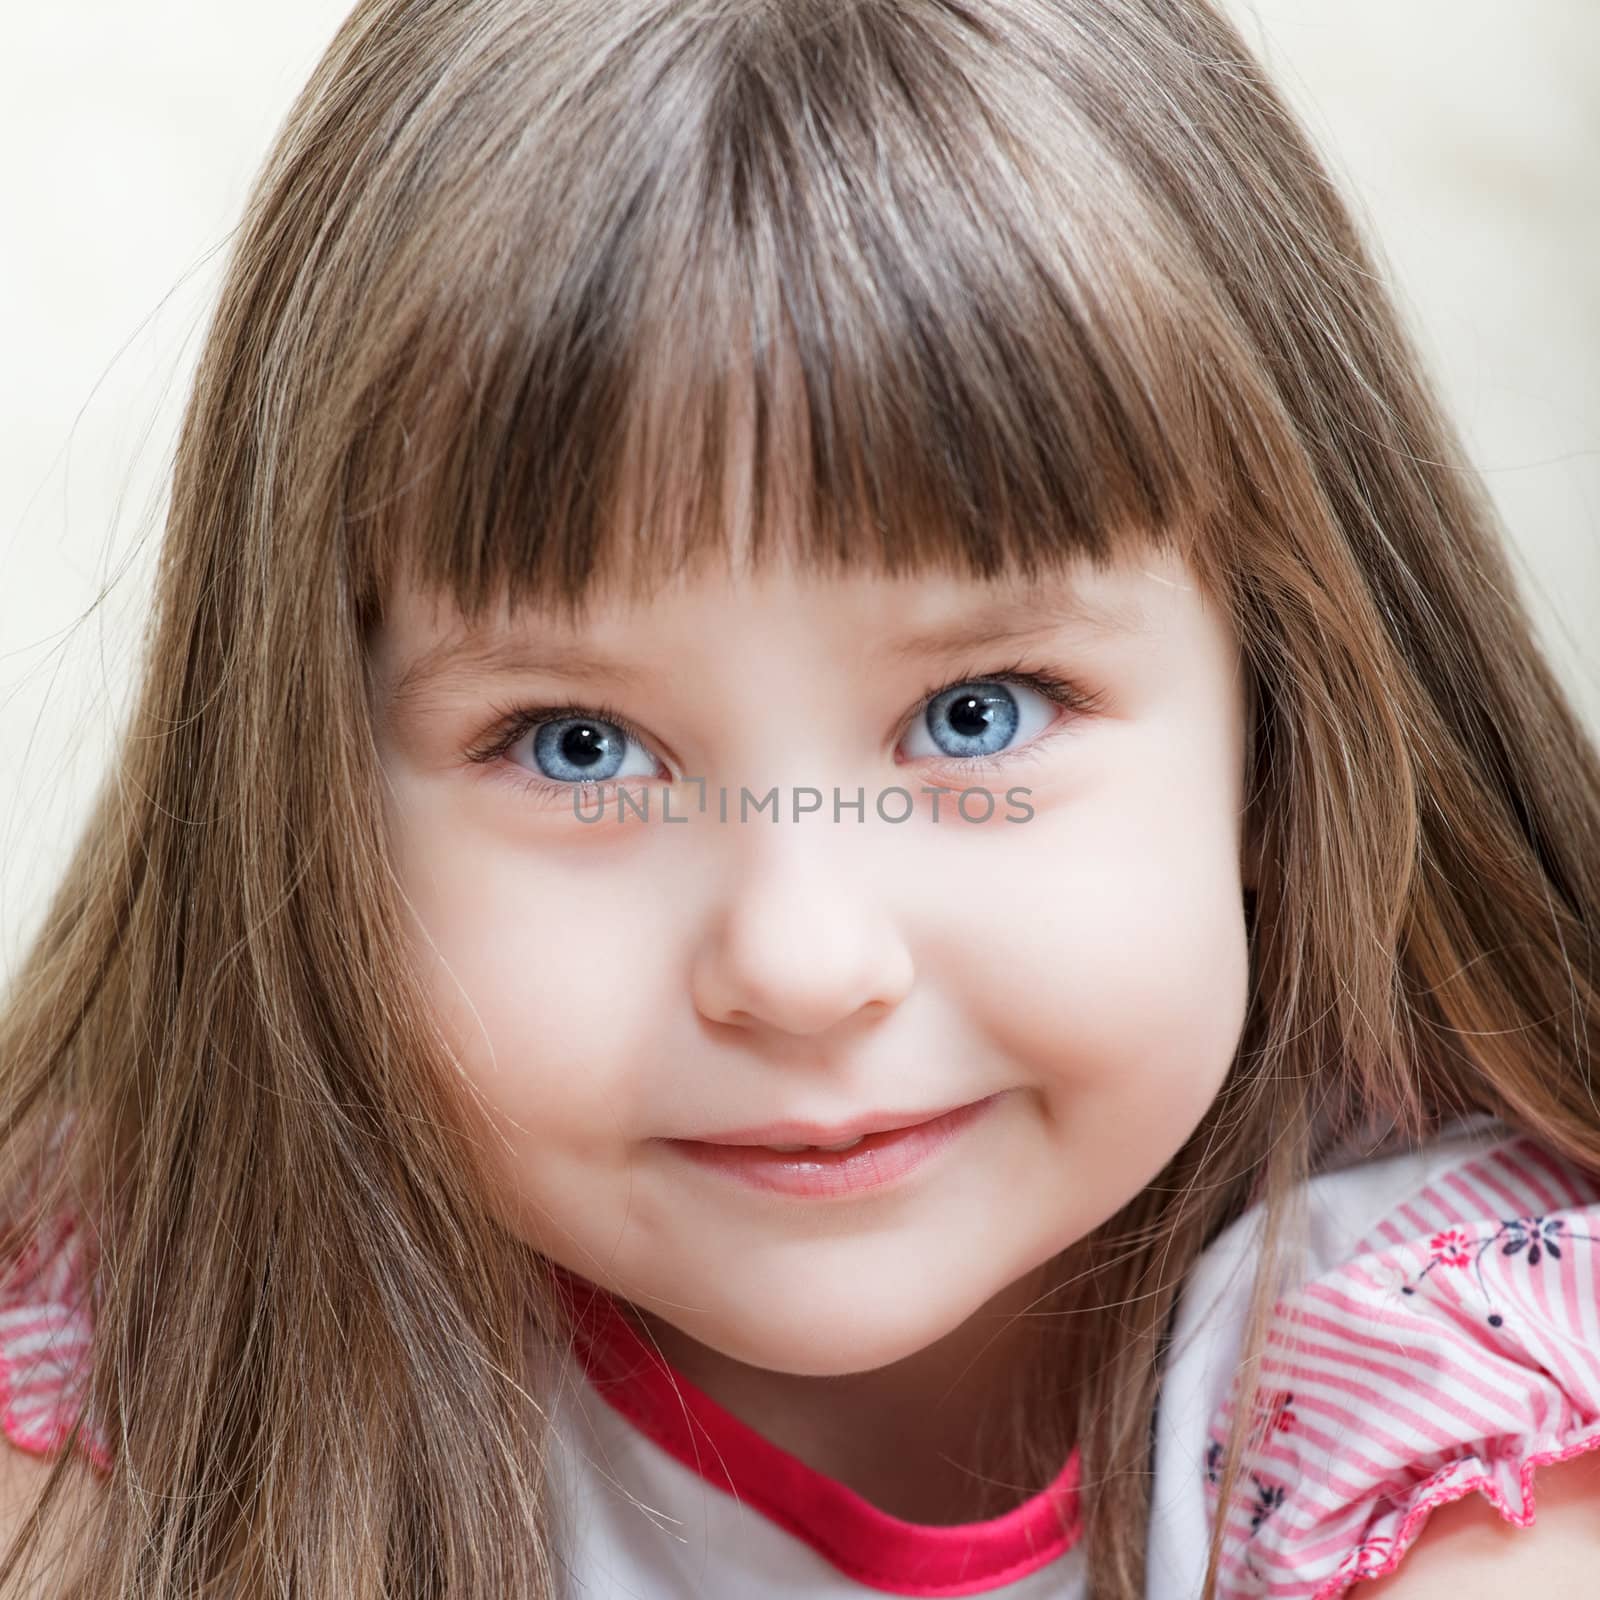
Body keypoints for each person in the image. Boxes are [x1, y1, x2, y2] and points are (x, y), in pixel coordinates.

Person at [1, 1, 1597, 1595]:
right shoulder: (170, 1339)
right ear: (310, 790)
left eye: (976, 719)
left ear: (1283, 726)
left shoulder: (1462, 1365)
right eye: (578, 745)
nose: (802, 963)